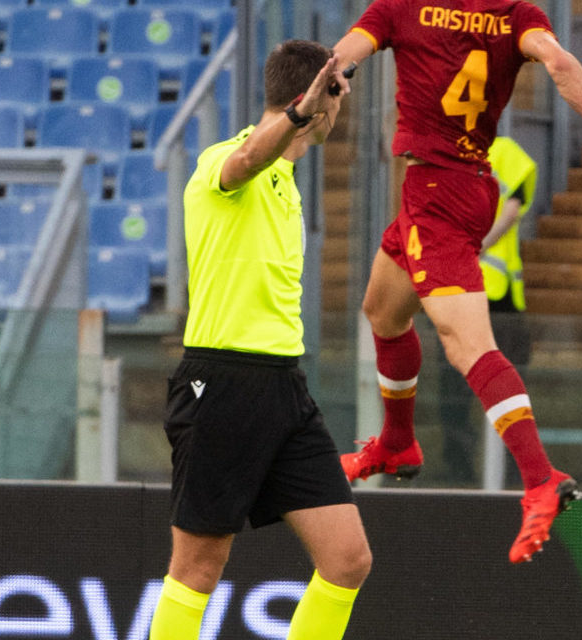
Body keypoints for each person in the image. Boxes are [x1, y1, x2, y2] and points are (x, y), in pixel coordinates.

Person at [331, 0, 582, 564]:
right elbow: (562, 64)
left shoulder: (401, 8)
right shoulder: (516, 15)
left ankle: (541, 478)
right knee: (383, 311)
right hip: (460, 185)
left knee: (468, 346)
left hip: (437, 193)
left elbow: (346, 52)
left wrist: (325, 79)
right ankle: (397, 442)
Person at [149, 40, 372, 640]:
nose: (342, 108)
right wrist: (298, 114)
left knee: (348, 559)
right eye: (339, 95)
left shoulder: (289, 181)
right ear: (316, 98)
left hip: (283, 384)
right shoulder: (228, 160)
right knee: (198, 567)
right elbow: (244, 160)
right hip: (221, 380)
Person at [437, 136, 537, 485]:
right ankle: (481, 475)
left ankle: (493, 475)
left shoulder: (497, 151)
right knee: (471, 393)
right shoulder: (453, 151)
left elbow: (511, 210)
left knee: (478, 391)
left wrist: (472, 246)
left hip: (482, 297)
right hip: (469, 295)